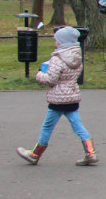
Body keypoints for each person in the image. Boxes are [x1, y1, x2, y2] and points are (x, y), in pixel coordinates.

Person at [17, 26, 98, 166]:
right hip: (72, 96)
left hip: (58, 98)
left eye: (56, 40)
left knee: (47, 126)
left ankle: (35, 154)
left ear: (62, 42)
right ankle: (90, 152)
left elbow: (51, 79)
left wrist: (39, 74)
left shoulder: (57, 58)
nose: (55, 43)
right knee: (78, 125)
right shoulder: (77, 57)